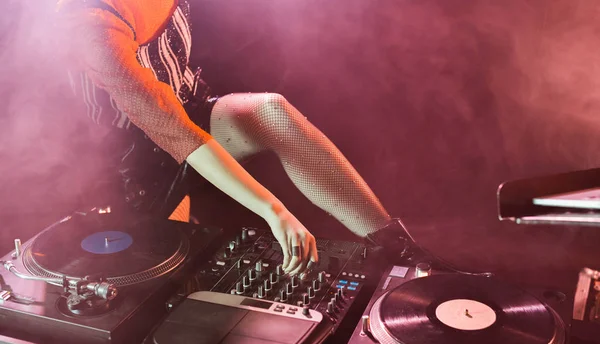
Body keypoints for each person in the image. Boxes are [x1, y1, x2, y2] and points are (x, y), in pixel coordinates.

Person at [55, 0, 412, 276]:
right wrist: (275, 211)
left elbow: (181, 114)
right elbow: (169, 128)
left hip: (190, 115)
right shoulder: (89, 24)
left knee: (271, 110)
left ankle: (399, 249)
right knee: (177, 269)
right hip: (134, 171)